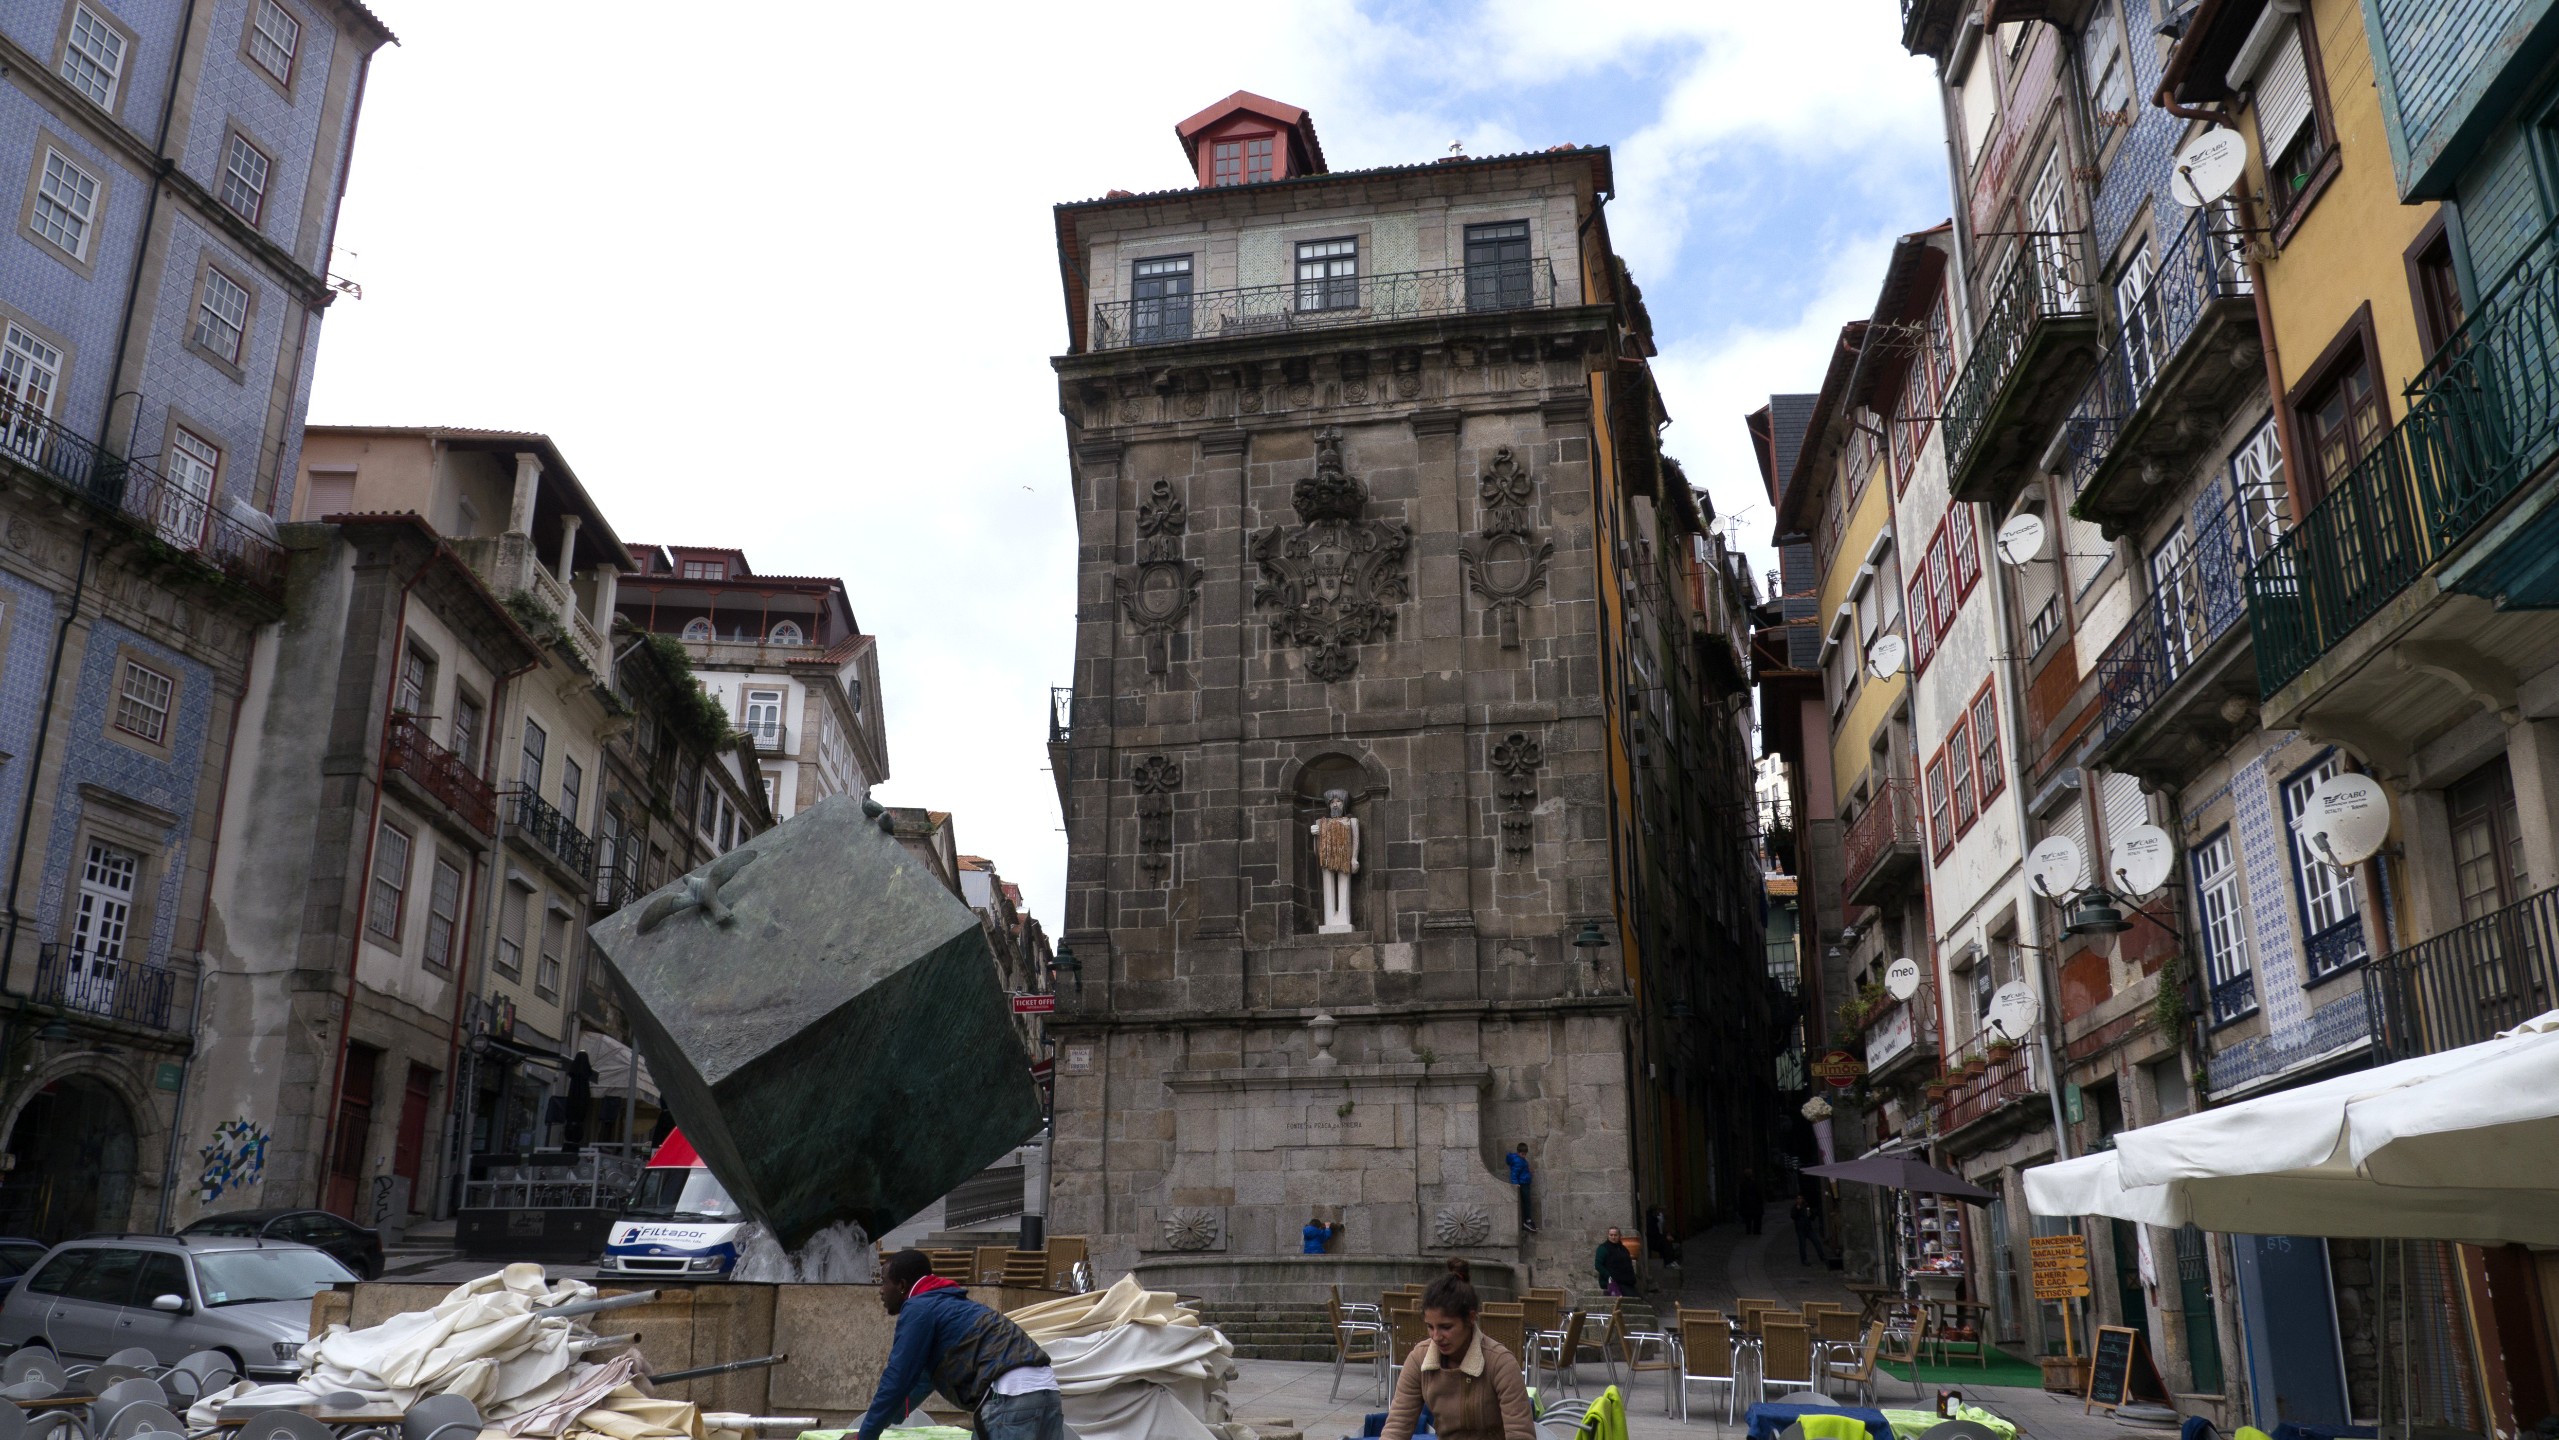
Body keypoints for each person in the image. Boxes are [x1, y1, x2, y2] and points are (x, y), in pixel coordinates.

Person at [858, 1248, 1062, 1440]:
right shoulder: (951, 1305)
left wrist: (865, 1434)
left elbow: (898, 1375)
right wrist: (886, 1418)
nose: (881, 1291)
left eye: (883, 1282)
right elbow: (922, 1380)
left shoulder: (919, 1307)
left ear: (902, 1286)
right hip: (1047, 1390)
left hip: (1009, 1394)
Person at [1380, 1270, 1535, 1440]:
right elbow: (1397, 1425)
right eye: (1430, 1327)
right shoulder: (1418, 1360)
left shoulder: (1500, 1363)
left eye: (1446, 1327)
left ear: (1471, 1318)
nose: (1436, 1337)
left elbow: (1520, 1434)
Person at [1791, 1194, 1836, 1267]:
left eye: (1801, 1198)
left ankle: (1822, 1256)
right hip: (1800, 1230)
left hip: (1808, 1229)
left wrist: (1812, 1214)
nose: (1799, 1200)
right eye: (1798, 1198)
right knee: (1802, 1245)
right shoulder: (1794, 1208)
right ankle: (1804, 1260)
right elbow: (1793, 1216)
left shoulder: (1806, 1206)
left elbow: (1812, 1217)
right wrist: (1797, 1210)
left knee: (1816, 1242)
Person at [1593, 1226, 1639, 1297]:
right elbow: (1598, 1265)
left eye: (1615, 1235)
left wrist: (1632, 1279)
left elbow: (1628, 1265)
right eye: (1611, 1235)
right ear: (1608, 1236)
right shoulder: (1603, 1248)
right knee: (1632, 1297)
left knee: (1638, 1298)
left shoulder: (1624, 1249)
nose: (1613, 1237)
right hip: (1613, 1282)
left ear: (1620, 1236)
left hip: (1626, 1282)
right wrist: (1609, 1276)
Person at [1506, 1143, 1535, 1233]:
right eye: (1522, 1154)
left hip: (1524, 1182)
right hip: (1523, 1184)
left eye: (1525, 1154)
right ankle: (1527, 1220)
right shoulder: (1518, 1161)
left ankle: (1527, 1220)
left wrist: (1528, 1170)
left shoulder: (1520, 1159)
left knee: (1527, 1202)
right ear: (1518, 1152)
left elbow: (1521, 1170)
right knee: (1527, 1202)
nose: (1524, 1156)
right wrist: (1515, 1184)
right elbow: (1514, 1173)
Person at [1738, 1170, 1764, 1235]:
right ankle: (1756, 1231)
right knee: (1757, 1219)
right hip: (1755, 1204)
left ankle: (1749, 1231)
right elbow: (1759, 1194)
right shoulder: (1755, 1183)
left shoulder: (1743, 1184)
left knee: (1748, 1219)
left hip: (1747, 1204)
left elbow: (1741, 1196)